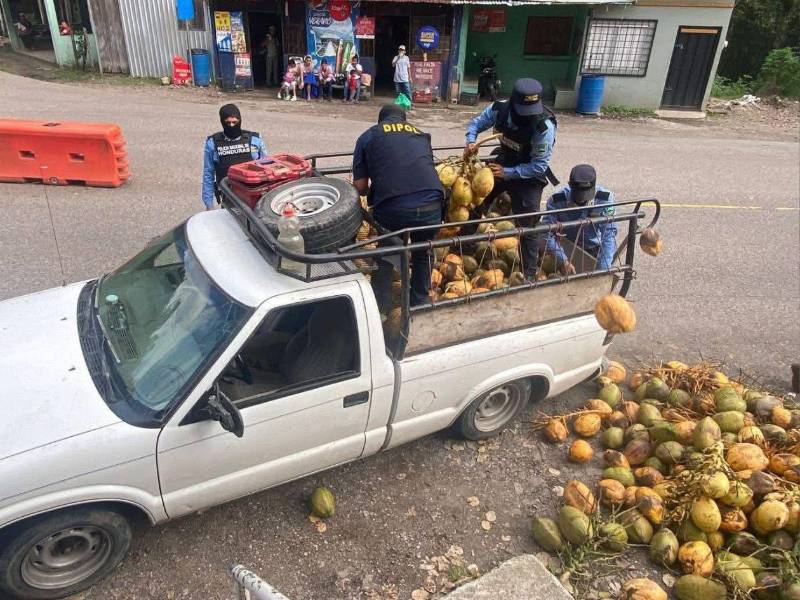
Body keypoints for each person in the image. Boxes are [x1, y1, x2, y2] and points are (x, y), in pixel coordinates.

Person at [465, 77, 558, 279]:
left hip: (528, 175)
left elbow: (539, 166)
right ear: (513, 103)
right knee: (474, 201)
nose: (527, 116)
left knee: (529, 224)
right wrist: (471, 141)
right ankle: (464, 246)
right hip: (504, 161)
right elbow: (475, 124)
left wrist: (508, 173)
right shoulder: (500, 109)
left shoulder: (544, 127)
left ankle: (529, 274)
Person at [352, 104, 444, 308]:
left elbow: (360, 187)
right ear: (404, 121)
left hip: (394, 206)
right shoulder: (421, 135)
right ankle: (418, 304)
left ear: (380, 121)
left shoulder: (368, 137)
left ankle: (381, 308)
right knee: (423, 252)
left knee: (387, 255)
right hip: (432, 204)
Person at [541, 164, 617, 274]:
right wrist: (563, 260)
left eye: (586, 196)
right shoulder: (557, 200)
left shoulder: (604, 199)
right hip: (565, 247)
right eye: (578, 196)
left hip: (592, 248)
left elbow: (609, 233)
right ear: (569, 185)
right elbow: (546, 232)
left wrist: (603, 269)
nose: (582, 201)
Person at [202, 104, 267, 210]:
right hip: (229, 198)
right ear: (222, 122)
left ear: (240, 120)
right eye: (228, 123)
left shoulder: (255, 140)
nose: (231, 126)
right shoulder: (213, 143)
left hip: (254, 198)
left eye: (235, 122)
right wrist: (209, 205)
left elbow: (266, 168)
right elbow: (208, 174)